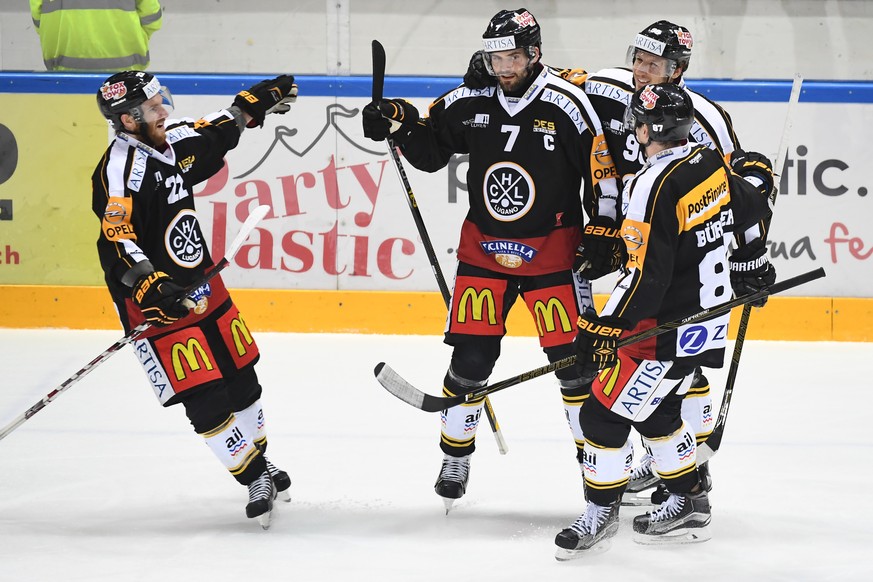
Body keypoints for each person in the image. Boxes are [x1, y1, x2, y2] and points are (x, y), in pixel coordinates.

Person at [465, 20, 776, 505]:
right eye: (638, 59)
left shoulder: (705, 120)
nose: (641, 72)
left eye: (654, 65)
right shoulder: (609, 85)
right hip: (624, 236)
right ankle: (677, 469)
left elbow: (736, 194)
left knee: (674, 364)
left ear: (678, 70)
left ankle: (673, 467)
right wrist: (493, 77)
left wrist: (750, 256)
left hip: (671, 251)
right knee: (655, 361)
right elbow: (545, 82)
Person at [361, 8, 621, 512]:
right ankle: (455, 458)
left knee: (573, 367)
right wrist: (393, 122)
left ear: (535, 53)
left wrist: (604, 229)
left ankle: (598, 466)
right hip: (485, 254)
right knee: (470, 362)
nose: (503, 67)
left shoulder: (567, 105)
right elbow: (431, 146)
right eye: (495, 56)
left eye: (512, 56)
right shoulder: (473, 98)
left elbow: (602, 171)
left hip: (553, 256)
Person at [553, 83, 775, 558]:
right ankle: (691, 502)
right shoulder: (709, 162)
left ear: (650, 130)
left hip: (663, 329)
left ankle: (602, 512)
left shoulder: (651, 185)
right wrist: (751, 264)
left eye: (637, 121)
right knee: (657, 413)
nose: (632, 129)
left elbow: (646, 278)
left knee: (600, 415)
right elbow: (752, 204)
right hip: (700, 322)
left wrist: (602, 326)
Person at [91, 70, 297, 527]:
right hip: (156, 301)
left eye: (161, 100)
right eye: (153, 107)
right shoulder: (118, 171)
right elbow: (117, 240)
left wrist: (251, 105)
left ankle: (259, 462)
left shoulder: (172, 139)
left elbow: (217, 131)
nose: (164, 110)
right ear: (128, 121)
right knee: (203, 394)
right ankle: (253, 475)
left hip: (203, 281)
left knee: (241, 374)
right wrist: (150, 287)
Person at [31, 0, 163, 71]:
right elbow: (152, 17)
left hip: (63, 66)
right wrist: (136, 38)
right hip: (125, 67)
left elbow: (39, 19)